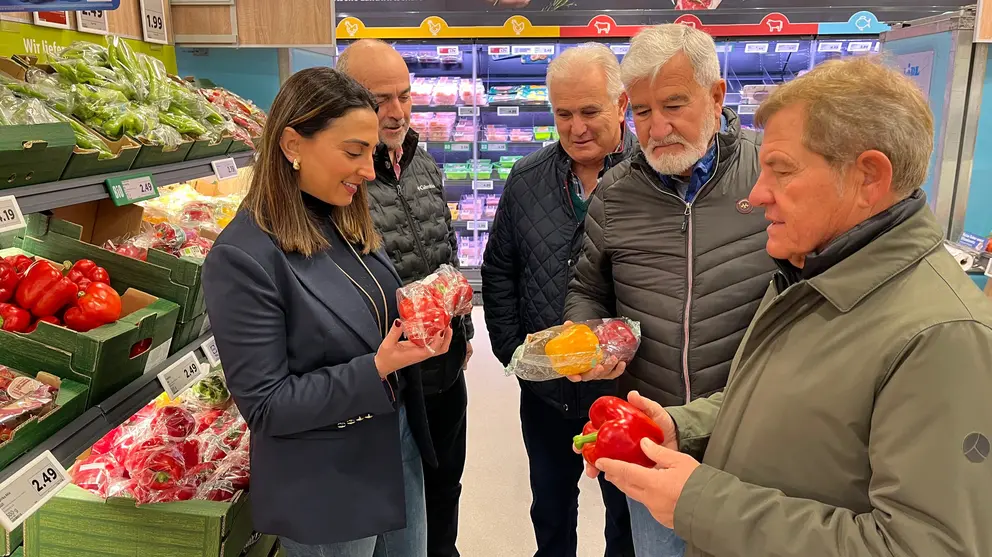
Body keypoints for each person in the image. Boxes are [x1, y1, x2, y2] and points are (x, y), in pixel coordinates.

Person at [594, 56, 992, 557]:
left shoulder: (944, 336)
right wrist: (682, 426)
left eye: (781, 171)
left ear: (869, 177)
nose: (758, 195)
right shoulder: (810, 273)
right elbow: (772, 405)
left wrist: (702, 503)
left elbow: (925, 547)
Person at [202, 67, 453, 557]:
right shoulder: (243, 257)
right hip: (327, 486)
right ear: (293, 144)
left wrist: (425, 312)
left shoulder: (342, 219)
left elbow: (368, 318)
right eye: (353, 152)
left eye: (372, 151)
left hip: (394, 453)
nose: (368, 170)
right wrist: (379, 367)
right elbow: (267, 406)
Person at [563, 24, 777, 557]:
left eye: (675, 105)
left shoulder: (769, 175)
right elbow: (587, 287)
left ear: (717, 96)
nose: (658, 127)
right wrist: (587, 335)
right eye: (641, 111)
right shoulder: (615, 193)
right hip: (652, 434)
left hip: (754, 433)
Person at [482, 43, 638, 557]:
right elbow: (500, 269)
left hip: (628, 393)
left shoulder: (654, 179)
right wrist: (513, 353)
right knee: (549, 509)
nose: (576, 127)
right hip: (547, 389)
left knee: (627, 516)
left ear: (622, 104)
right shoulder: (527, 179)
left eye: (590, 111)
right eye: (563, 113)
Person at [337, 39, 474, 557]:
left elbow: (447, 253)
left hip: (444, 365)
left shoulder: (421, 162)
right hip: (389, 378)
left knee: (446, 484)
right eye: (378, 100)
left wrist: (463, 332)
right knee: (398, 501)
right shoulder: (341, 179)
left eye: (404, 97)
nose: (395, 113)